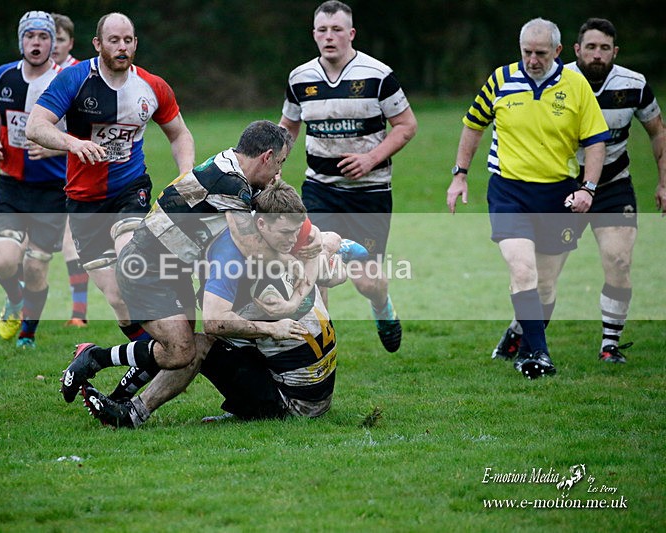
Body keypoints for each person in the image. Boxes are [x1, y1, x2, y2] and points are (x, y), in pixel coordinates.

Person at [57, 120, 311, 406]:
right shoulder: (229, 181)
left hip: (172, 268)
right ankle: (94, 357)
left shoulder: (235, 173)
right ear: (265, 156)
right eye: (279, 162)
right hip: (146, 267)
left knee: (176, 349)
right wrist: (292, 262)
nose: (279, 171)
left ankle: (118, 401)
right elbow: (249, 243)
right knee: (179, 351)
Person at [79, 180, 339, 427]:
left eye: (297, 231)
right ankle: (116, 389)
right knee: (199, 339)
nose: (294, 239)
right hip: (318, 396)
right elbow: (334, 251)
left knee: (197, 344)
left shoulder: (249, 253)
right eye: (287, 232)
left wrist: (275, 323)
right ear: (259, 224)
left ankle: (131, 411)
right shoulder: (290, 246)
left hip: (294, 405)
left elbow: (215, 323)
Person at [491, 18, 666, 365]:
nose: (597, 54)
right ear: (574, 50)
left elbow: (657, 131)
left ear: (615, 52)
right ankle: (520, 331)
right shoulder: (556, 77)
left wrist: (662, 181)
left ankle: (610, 345)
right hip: (566, 187)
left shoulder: (634, 84)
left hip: (613, 184)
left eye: (605, 48)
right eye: (590, 47)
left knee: (619, 259)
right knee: (542, 275)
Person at [446, 18, 610, 379]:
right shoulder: (501, 80)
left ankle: (519, 333)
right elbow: (474, 124)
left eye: (541, 53)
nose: (533, 60)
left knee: (546, 285)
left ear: (558, 51)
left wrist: (588, 188)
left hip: (557, 194)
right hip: (509, 191)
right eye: (527, 52)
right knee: (523, 270)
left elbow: (596, 141)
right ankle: (538, 353)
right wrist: (460, 174)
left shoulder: (576, 85)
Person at [25, 12, 195, 343]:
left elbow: (179, 134)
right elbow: (36, 126)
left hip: (129, 189)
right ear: (98, 43)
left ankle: (176, 329)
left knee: (130, 259)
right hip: (83, 201)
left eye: (128, 41)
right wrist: (73, 143)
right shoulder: (74, 80)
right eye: (114, 40)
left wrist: (186, 174)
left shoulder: (151, 87)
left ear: (135, 44)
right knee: (118, 300)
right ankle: (151, 354)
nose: (122, 47)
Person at [279, 0, 417, 354]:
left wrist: (371, 158)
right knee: (313, 268)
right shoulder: (300, 78)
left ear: (351, 34)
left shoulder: (378, 75)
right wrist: (272, 165)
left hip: (369, 193)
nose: (329, 37)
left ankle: (382, 307)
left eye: (337, 30)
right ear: (314, 35)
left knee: (366, 282)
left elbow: (406, 126)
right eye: (322, 30)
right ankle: (321, 349)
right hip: (319, 190)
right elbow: (289, 127)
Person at [0, 11, 69, 349]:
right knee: (4, 261)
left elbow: (81, 133)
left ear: (54, 42)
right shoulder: (5, 75)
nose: (36, 43)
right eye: (30, 36)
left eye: (43, 37)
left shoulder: (67, 79)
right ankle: (15, 300)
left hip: (52, 189)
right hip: (12, 185)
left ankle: (28, 333)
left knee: (36, 267)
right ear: (21, 40)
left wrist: (54, 150)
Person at [50, 12, 89, 327]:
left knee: (68, 240)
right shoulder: (27, 75)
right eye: (49, 39)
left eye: (59, 39)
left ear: (70, 42)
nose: (53, 45)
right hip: (33, 175)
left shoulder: (79, 75)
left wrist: (52, 144)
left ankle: (79, 313)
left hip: (70, 169)